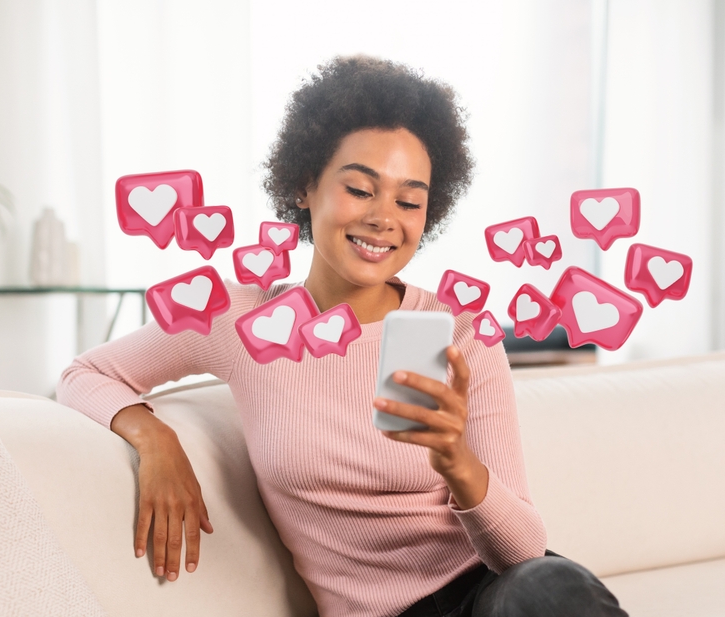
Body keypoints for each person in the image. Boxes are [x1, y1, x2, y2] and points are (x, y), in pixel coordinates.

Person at [57, 55, 627, 617]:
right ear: (306, 186)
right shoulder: (239, 317)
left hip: (496, 596)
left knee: (550, 587)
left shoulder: (462, 330)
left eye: (409, 201)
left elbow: (523, 553)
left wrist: (456, 461)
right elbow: (85, 375)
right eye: (360, 189)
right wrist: (155, 441)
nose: (385, 218)